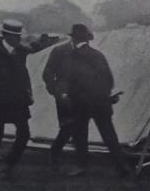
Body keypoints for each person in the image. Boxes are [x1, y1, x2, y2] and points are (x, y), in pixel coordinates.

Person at [58, 24, 131, 177]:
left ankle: (81, 166)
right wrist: (106, 96)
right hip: (100, 102)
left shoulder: (71, 57)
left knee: (80, 135)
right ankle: (121, 165)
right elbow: (109, 80)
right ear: (87, 39)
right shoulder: (98, 55)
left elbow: (66, 79)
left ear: (74, 39)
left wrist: (65, 94)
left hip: (80, 103)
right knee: (109, 135)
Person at [0, 19, 34, 179]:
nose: (19, 39)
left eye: (19, 36)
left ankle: (9, 163)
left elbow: (24, 73)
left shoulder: (23, 52)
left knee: (24, 134)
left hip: (18, 100)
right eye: (16, 36)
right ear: (6, 36)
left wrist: (29, 91)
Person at [43, 28, 79, 170]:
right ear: (73, 38)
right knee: (67, 125)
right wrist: (56, 91)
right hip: (64, 94)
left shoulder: (86, 52)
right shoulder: (59, 51)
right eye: (79, 39)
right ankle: (55, 152)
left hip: (81, 94)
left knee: (79, 124)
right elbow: (47, 72)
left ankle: (79, 157)